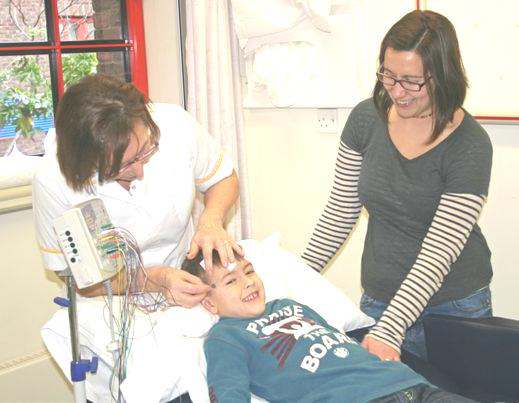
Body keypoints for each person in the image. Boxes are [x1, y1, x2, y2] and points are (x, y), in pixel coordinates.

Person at [301, 9, 493, 362]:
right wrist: (294, 278)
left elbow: (439, 251)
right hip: (379, 298)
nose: (397, 91)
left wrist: (391, 327)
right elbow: (341, 212)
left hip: (454, 307)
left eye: (411, 81)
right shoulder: (364, 119)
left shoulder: (471, 145)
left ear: (442, 76)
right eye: (389, 76)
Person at [33, 74, 243, 307]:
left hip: (184, 281)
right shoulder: (52, 180)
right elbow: (78, 277)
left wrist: (211, 219)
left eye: (145, 152)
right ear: (87, 161)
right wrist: (155, 279)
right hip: (108, 302)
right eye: (119, 167)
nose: (139, 171)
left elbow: (223, 178)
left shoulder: (175, 125)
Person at [181, 252, 476, 403]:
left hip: (409, 384)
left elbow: (338, 340)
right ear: (209, 303)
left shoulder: (288, 305)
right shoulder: (226, 338)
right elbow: (229, 394)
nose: (248, 282)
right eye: (231, 281)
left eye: (249, 271)